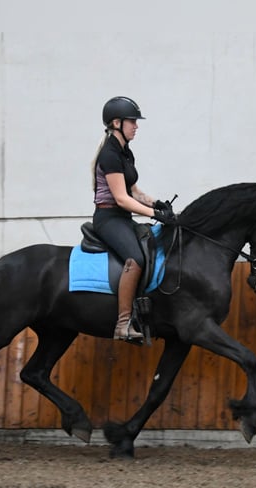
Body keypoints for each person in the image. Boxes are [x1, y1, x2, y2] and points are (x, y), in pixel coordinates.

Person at [92, 96, 176, 342]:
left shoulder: (125, 152)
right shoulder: (109, 154)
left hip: (123, 217)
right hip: (108, 218)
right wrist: (155, 215)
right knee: (136, 258)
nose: (136, 126)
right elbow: (121, 198)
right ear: (116, 123)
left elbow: (135, 192)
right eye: (132, 122)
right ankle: (123, 324)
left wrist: (157, 203)